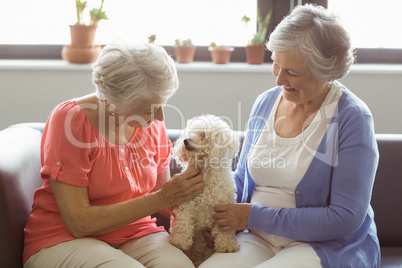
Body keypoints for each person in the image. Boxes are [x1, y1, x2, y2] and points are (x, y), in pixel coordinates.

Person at [200, 4, 380, 268]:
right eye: (275, 64)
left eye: (292, 72)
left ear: (326, 72)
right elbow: (241, 177)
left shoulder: (353, 118)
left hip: (321, 245)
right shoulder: (265, 102)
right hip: (258, 237)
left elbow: (344, 217)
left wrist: (253, 217)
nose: (278, 80)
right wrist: (216, 219)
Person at [23, 40, 203, 268]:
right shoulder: (71, 121)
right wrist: (164, 197)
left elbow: (164, 195)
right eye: (149, 109)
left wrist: (204, 219)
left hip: (136, 232)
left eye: (163, 104)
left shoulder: (150, 123)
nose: (159, 117)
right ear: (111, 104)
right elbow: (79, 223)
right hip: (63, 237)